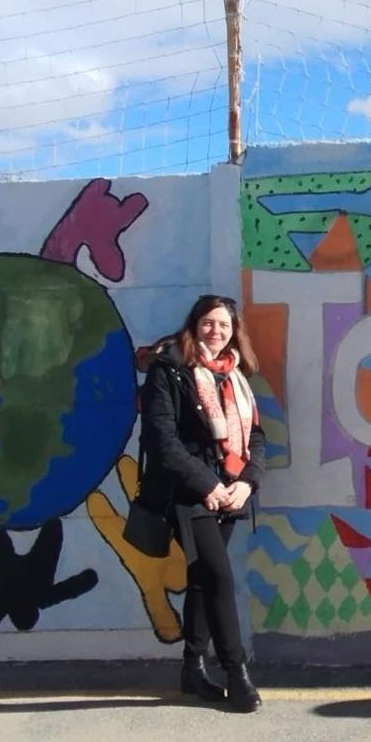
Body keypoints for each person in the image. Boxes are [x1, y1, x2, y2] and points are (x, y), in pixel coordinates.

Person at [138, 294, 266, 713]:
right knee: (218, 579)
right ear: (194, 325)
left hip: (231, 491)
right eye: (209, 323)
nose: (216, 331)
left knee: (201, 579)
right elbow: (162, 440)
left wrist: (246, 483)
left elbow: (257, 438)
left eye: (225, 325)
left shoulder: (235, 376)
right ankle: (236, 672)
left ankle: (192, 668)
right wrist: (206, 484)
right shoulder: (169, 370)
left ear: (234, 331)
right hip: (188, 492)